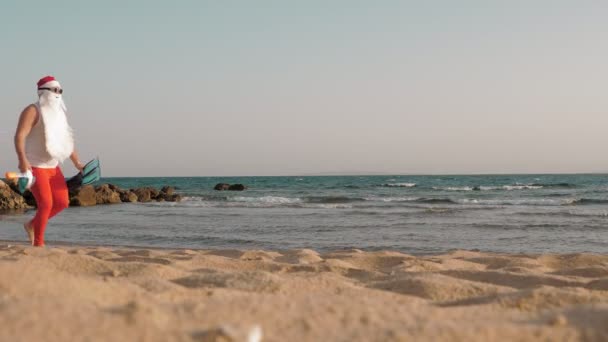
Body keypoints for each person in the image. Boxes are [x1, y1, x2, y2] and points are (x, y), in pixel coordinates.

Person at [14, 76, 84, 247]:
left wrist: (78, 163)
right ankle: (39, 244)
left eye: (60, 91)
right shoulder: (32, 110)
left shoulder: (60, 114)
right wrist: (22, 160)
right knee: (46, 203)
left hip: (53, 167)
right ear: (43, 92)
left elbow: (67, 141)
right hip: (35, 166)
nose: (58, 94)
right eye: (54, 90)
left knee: (62, 202)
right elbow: (19, 136)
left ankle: (31, 224)